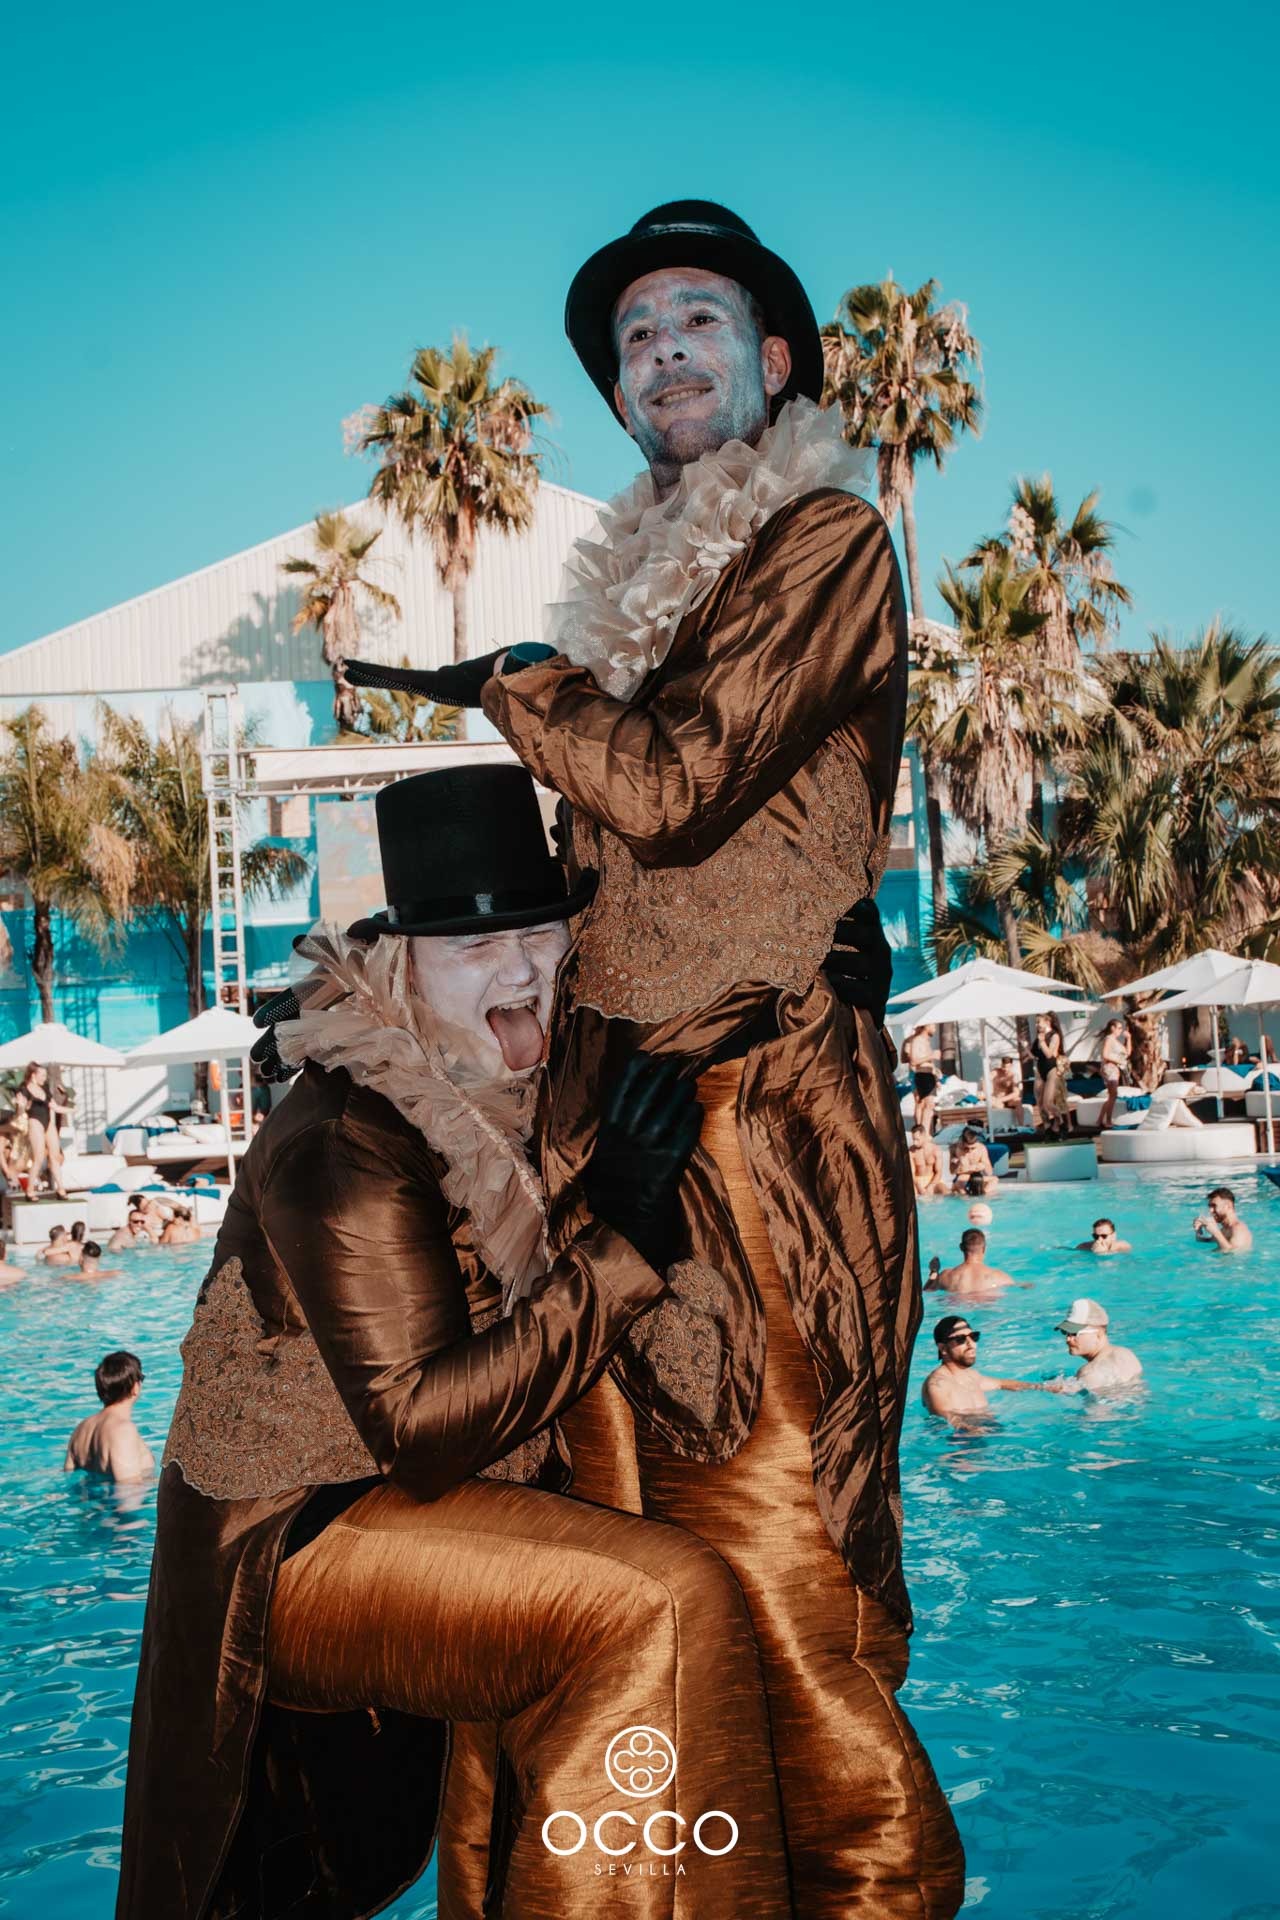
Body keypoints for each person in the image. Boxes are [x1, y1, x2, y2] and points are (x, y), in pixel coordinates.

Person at [347, 199, 963, 1914]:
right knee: (635, 1590)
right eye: (633, 338)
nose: (662, 350)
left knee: (784, 1580)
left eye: (696, 319)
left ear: (772, 361)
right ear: (619, 399)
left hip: (758, 1143)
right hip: (621, 1160)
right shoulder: (652, 608)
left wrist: (524, 686)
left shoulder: (826, 537)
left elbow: (676, 784)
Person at [118, 766, 794, 1920]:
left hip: (424, 1512)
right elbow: (421, 1433)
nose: (520, 969)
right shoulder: (344, 1137)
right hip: (291, 1544)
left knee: (677, 1579)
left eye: (537, 933)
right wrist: (620, 1238)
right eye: (476, 947)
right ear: (401, 962)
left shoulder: (519, 1094)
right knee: (659, 1600)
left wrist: (804, 1001)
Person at [921, 1315, 1051, 1416]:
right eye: (960, 1339)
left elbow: (1001, 1384)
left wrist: (1043, 1387)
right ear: (943, 1348)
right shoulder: (937, 1385)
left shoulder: (971, 1376)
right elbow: (948, 1419)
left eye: (973, 1337)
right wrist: (974, 1432)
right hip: (964, 1440)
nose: (971, 1344)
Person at [63, 1351, 155, 1481]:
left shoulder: (81, 1429)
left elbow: (69, 1477)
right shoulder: (123, 1430)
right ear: (135, 1387)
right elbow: (128, 1488)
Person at [1048, 1298, 1143, 1391]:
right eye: (1065, 1332)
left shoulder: (1089, 1373)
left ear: (1098, 1334)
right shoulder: (1126, 1354)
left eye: (1074, 1333)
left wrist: (1040, 1388)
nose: (1068, 1339)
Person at [20, 1062, 70, 1198]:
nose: (44, 1078)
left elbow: (54, 1107)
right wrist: (22, 1105)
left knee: (55, 1156)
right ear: (33, 1075)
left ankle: (61, 1189)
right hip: (35, 1121)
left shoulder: (45, 1087)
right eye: (42, 1075)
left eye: (45, 1075)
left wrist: (71, 1109)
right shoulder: (24, 1089)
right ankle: (30, 1190)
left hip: (48, 1122)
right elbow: (21, 1108)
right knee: (39, 1156)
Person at [927, 1227, 1020, 1298]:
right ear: (984, 1248)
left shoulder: (945, 1276)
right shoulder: (1000, 1277)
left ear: (961, 1247)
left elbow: (927, 1291)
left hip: (957, 1309)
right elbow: (1019, 1286)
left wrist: (934, 1272)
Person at [1033, 1013, 1070, 1137]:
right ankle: (1048, 1127)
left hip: (1050, 1069)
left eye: (1038, 1022)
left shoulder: (1054, 1035)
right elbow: (1035, 1055)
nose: (1036, 1025)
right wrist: (1025, 1047)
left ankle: (1061, 1122)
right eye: (1036, 1022)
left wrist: (1042, 1042)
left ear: (1047, 1022)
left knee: (1048, 1103)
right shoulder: (1039, 1037)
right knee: (1039, 1103)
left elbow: (1049, 1055)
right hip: (1040, 1069)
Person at [905, 1023, 941, 1137]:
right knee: (925, 1104)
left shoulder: (926, 1041)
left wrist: (935, 1076)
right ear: (926, 1026)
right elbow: (913, 1060)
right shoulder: (917, 1040)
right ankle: (923, 1133)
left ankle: (925, 1132)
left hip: (929, 1074)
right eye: (933, 1026)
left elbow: (928, 1062)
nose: (935, 1029)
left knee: (930, 1105)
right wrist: (931, 1056)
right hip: (922, 1074)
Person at [1195, 1186, 1253, 1252]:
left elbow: (1233, 1253)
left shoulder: (1239, 1230)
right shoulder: (1224, 1229)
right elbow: (1206, 1241)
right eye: (1210, 1207)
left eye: (1214, 1206)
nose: (1210, 1211)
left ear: (1228, 1206)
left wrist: (1215, 1232)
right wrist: (1198, 1230)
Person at [1099, 1017, 1131, 1129]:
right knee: (1113, 1095)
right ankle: (1108, 1120)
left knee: (1111, 1096)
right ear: (1112, 1028)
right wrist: (1118, 1061)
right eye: (1119, 1028)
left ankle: (1100, 1119)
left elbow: (1127, 1053)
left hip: (1115, 1069)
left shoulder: (1116, 1041)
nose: (1120, 1030)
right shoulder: (1109, 1039)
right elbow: (1105, 1055)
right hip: (1110, 1068)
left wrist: (1129, 1038)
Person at [951, 1126, 1000, 1195]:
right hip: (962, 1176)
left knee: (994, 1180)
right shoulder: (955, 1148)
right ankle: (965, 1196)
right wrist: (957, 1164)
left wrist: (983, 1166)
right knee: (959, 1183)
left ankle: (983, 1194)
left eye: (973, 1148)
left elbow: (989, 1172)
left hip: (977, 1175)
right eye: (966, 1148)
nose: (970, 1151)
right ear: (963, 1142)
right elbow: (952, 1171)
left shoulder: (981, 1148)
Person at [910, 1123, 950, 1196]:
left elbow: (939, 1172)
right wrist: (919, 1187)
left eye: (917, 1139)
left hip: (932, 1179)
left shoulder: (935, 1150)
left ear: (924, 1136)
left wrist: (931, 1185)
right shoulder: (911, 1152)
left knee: (946, 1191)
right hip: (917, 1181)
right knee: (912, 1194)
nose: (915, 1143)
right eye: (913, 1139)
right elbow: (911, 1174)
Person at [990, 1053, 1026, 1128]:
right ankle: (1000, 1128)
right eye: (1004, 1067)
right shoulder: (996, 1072)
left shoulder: (1013, 1076)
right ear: (1001, 1065)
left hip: (1008, 1100)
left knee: (1018, 1101)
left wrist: (1002, 1099)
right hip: (997, 1099)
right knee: (996, 1104)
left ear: (1011, 1066)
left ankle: (1021, 1126)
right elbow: (985, 1080)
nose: (1005, 1069)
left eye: (1008, 1067)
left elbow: (1016, 1093)